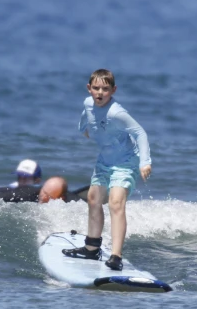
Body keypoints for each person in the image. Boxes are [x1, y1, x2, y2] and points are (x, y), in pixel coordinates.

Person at [62, 69, 152, 271]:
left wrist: (145, 162)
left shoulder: (116, 112)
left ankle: (116, 256)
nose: (100, 92)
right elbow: (86, 116)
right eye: (96, 88)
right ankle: (91, 248)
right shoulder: (87, 103)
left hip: (126, 162)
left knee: (115, 203)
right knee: (94, 199)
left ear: (113, 90)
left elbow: (140, 133)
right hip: (105, 161)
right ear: (89, 88)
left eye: (105, 89)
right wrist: (82, 128)